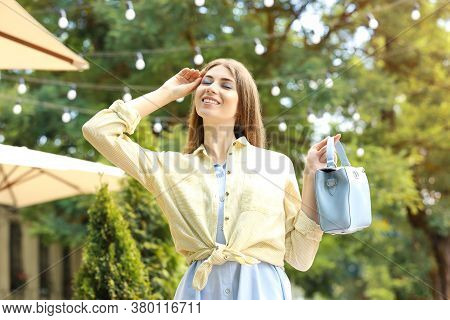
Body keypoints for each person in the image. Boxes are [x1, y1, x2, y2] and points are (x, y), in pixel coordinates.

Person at [82, 58, 341, 300]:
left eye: (225, 85)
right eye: (206, 81)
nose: (211, 88)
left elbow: (300, 257)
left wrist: (311, 177)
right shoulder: (170, 168)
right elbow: (98, 130)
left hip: (262, 294)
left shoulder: (275, 165)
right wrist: (166, 93)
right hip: (199, 293)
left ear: (242, 107)